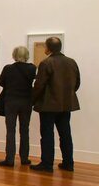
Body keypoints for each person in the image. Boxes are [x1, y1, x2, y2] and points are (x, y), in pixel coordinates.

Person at [30, 37, 81, 173]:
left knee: (47, 134)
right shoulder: (71, 62)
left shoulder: (46, 63)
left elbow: (39, 85)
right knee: (65, 134)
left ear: (48, 48)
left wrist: (33, 100)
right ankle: (68, 163)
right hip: (66, 104)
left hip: (48, 105)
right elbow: (77, 83)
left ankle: (47, 164)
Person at [0, 46, 37, 167]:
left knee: (10, 130)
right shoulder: (32, 68)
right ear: (27, 55)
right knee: (25, 130)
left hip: (11, 101)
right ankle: (24, 158)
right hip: (26, 102)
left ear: (14, 55)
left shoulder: (8, 68)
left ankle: (10, 159)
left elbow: (1, 83)